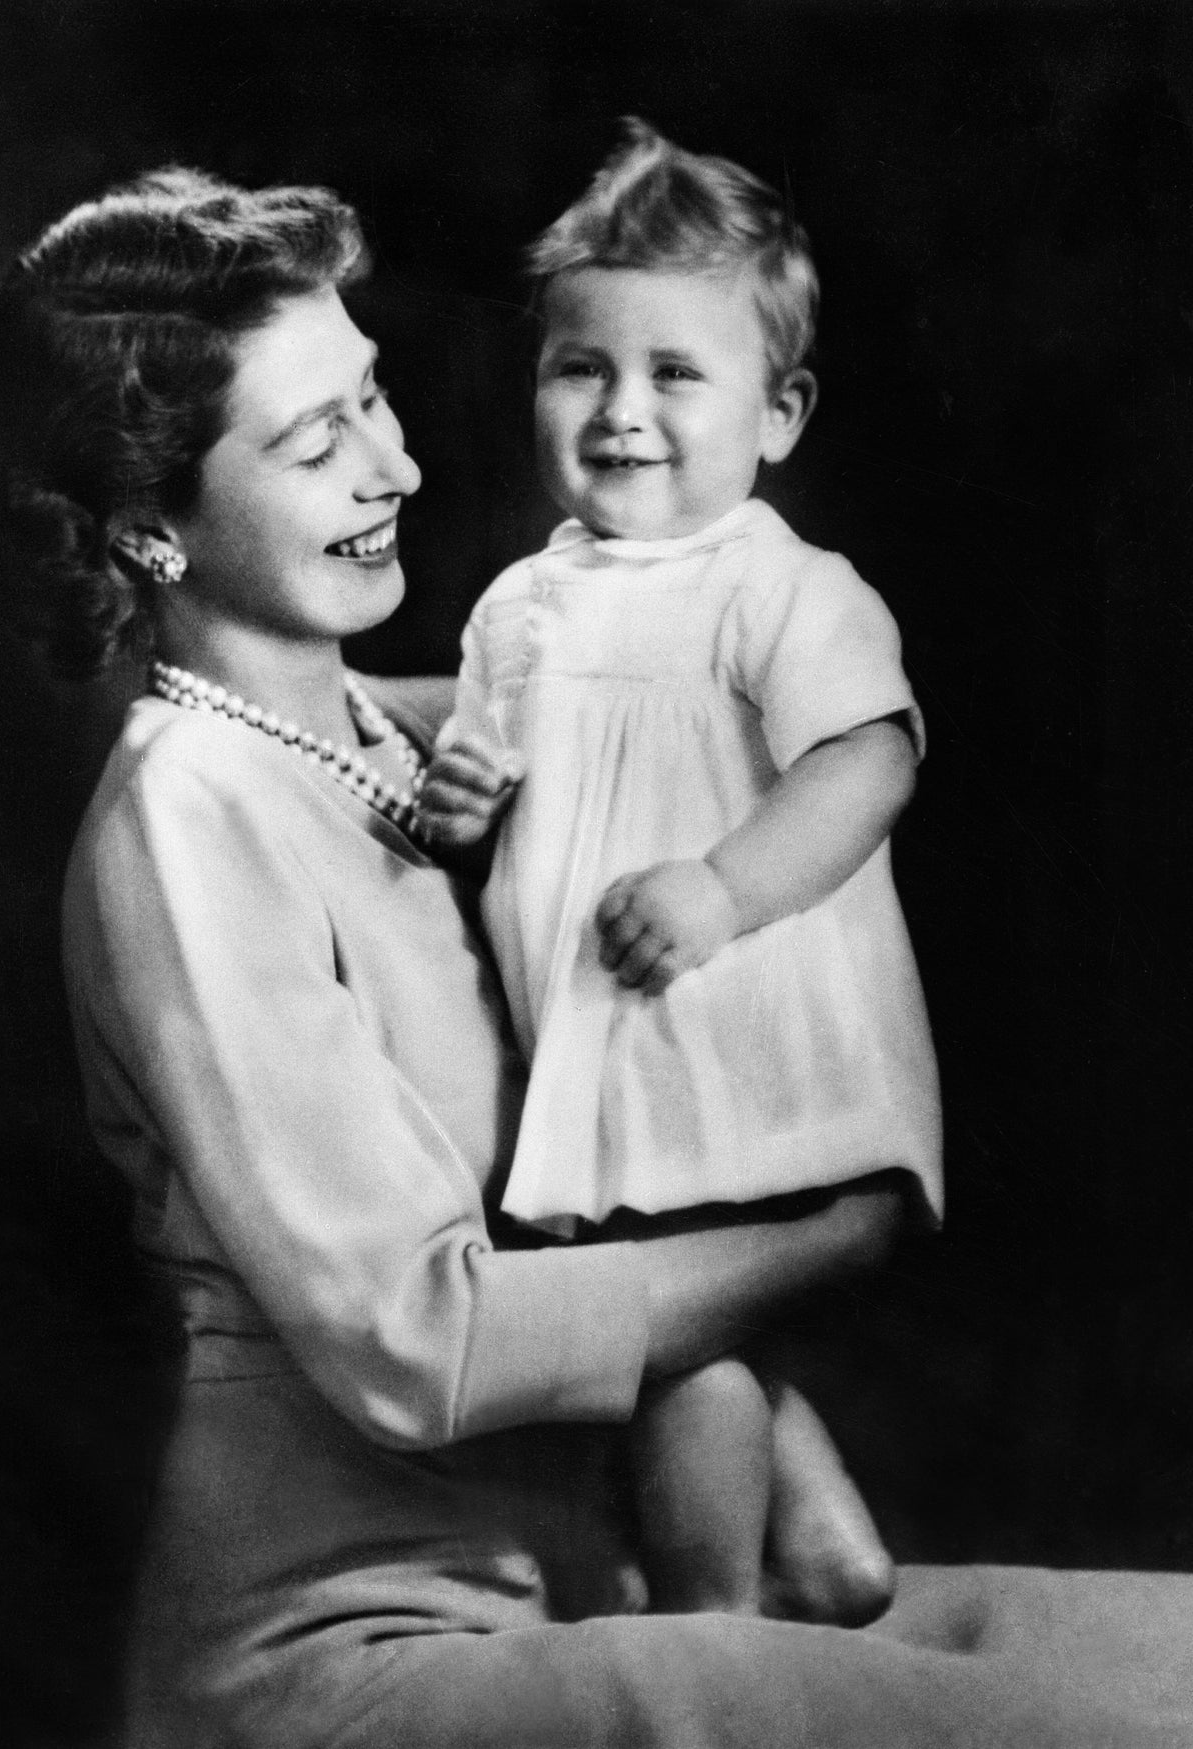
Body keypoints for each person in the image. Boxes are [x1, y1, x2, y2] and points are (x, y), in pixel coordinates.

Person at [0, 165, 1193, 1749]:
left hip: (594, 1572)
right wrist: (827, 1243)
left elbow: (710, 719)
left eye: (376, 400)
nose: (395, 465)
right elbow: (421, 1342)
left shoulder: (377, 727)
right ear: (150, 529)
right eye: (315, 438)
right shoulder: (189, 820)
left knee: (1163, 1654)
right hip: (348, 1653)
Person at [419, 120, 943, 1620]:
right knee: (695, 1314)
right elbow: (494, 781)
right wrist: (465, 794)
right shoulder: (520, 603)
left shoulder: (776, 585)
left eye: (675, 373)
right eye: (581, 366)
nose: (622, 411)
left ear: (778, 414)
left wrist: (722, 886)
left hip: (731, 1032)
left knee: (671, 1329)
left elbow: (870, 760)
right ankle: (828, 1551)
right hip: (610, 1049)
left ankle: (711, 1617)